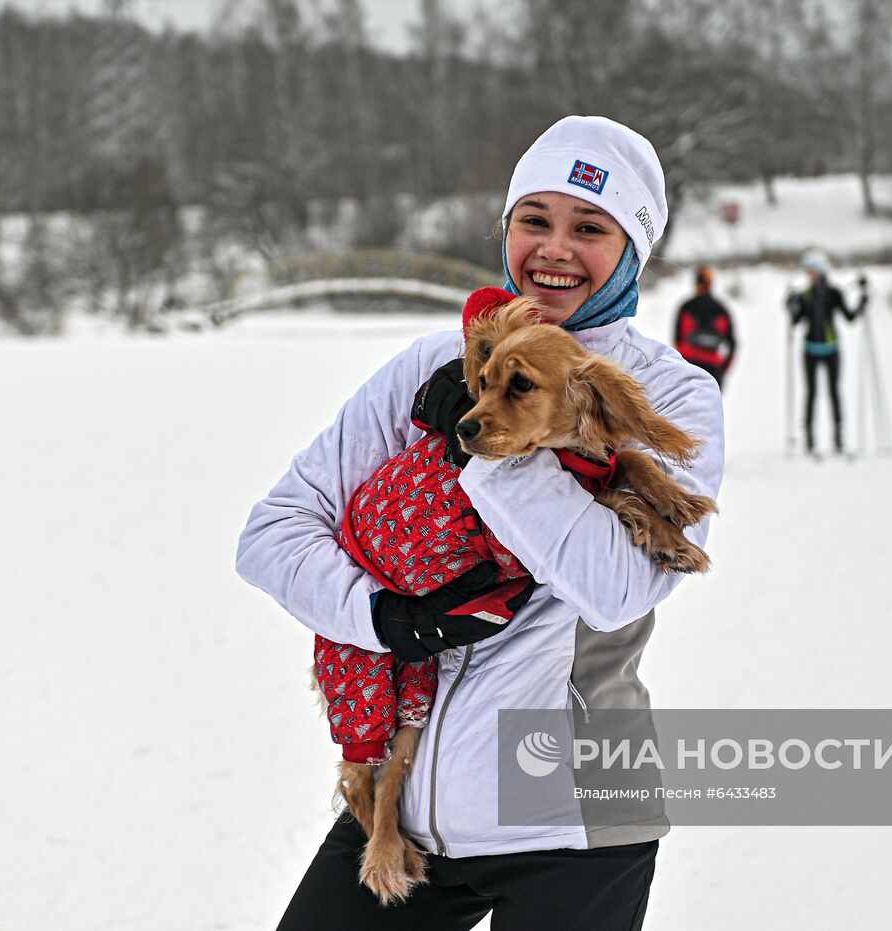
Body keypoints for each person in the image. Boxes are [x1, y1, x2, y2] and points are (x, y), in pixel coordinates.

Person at [236, 115, 725, 930]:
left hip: (576, 824)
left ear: (632, 252)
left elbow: (618, 587)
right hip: (408, 813)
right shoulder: (434, 366)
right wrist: (384, 617)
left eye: (590, 228)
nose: (554, 249)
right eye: (534, 220)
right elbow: (275, 531)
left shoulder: (669, 395)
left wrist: (492, 445)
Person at [786, 249, 865, 456]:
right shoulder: (805, 296)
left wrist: (863, 301)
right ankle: (810, 440)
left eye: (811, 271)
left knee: (834, 392)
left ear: (820, 272)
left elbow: (850, 317)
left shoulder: (834, 293)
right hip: (810, 350)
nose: (809, 276)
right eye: (807, 272)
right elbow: (795, 320)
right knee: (811, 393)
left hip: (832, 351)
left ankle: (838, 438)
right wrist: (790, 304)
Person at [672, 265, 737, 389]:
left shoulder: (686, 307)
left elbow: (676, 341)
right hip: (713, 368)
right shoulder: (722, 309)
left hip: (688, 366)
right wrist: (723, 369)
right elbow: (732, 344)